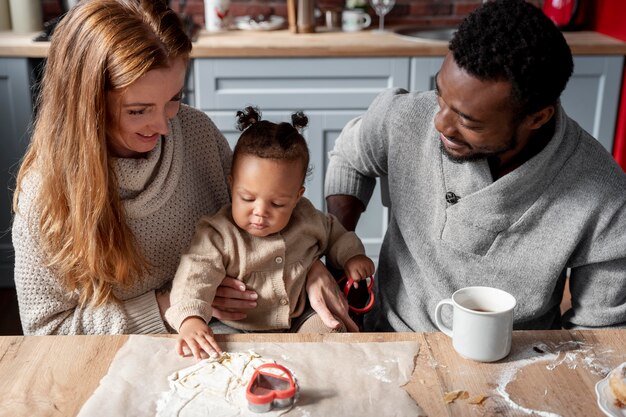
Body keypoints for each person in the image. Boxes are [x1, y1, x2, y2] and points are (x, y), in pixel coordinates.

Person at [12, 0, 352, 335]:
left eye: (174, 98)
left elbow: (258, 224)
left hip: (230, 338)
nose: (163, 127)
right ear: (87, 104)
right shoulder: (44, 191)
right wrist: (171, 304)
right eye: (138, 110)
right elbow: (47, 329)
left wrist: (308, 269)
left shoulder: (195, 132)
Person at [324, 0, 626, 333]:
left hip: (519, 359)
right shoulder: (404, 117)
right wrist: (339, 252)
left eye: (469, 122)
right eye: (440, 96)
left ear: (537, 117)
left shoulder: (605, 197)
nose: (440, 124)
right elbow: (350, 158)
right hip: (389, 335)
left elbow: (598, 332)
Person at [166, 107, 375, 359]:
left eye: (277, 204)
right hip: (236, 327)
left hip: (298, 319)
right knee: (214, 352)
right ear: (232, 185)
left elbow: (336, 233)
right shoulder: (218, 233)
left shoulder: (307, 218)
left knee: (331, 334)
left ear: (297, 196)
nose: (260, 212)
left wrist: (353, 256)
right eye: (247, 198)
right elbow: (194, 276)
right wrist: (190, 318)